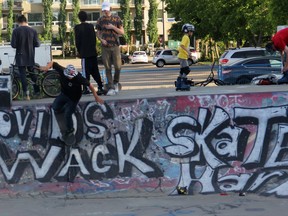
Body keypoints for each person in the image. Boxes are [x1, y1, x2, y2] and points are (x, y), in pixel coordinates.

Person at [40, 61, 104, 145]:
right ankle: (63, 108)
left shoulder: (78, 77)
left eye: (71, 77)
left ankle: (70, 130)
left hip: (74, 98)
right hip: (64, 94)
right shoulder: (62, 70)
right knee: (55, 107)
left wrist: (96, 96)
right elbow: (53, 63)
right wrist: (47, 67)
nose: (70, 78)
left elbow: (90, 85)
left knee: (68, 114)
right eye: (69, 77)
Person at [96, 1, 124, 96]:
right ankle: (111, 87)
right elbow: (98, 33)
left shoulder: (116, 18)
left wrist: (113, 27)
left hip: (115, 46)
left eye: (107, 10)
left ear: (110, 9)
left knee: (118, 66)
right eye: (104, 10)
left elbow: (122, 32)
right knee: (107, 68)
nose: (105, 12)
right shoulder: (100, 20)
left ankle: (116, 82)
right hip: (105, 47)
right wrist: (101, 40)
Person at [74, 11, 105, 96]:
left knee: (85, 72)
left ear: (79, 18)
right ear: (87, 17)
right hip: (92, 52)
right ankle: (100, 86)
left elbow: (78, 41)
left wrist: (79, 51)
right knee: (95, 70)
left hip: (84, 53)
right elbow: (94, 39)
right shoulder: (91, 26)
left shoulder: (77, 27)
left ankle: (86, 88)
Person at [11, 15, 41, 100]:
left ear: (18, 22)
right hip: (30, 56)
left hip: (20, 57)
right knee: (32, 74)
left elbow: (13, 45)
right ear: (26, 21)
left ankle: (26, 94)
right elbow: (37, 44)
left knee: (22, 75)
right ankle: (37, 92)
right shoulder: (33, 30)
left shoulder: (16, 31)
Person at [175, 23, 195, 91]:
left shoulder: (185, 37)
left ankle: (178, 84)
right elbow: (182, 45)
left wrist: (188, 54)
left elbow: (182, 47)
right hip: (182, 56)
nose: (192, 33)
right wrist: (188, 52)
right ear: (188, 31)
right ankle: (183, 83)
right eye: (191, 31)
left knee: (182, 70)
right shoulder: (186, 37)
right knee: (187, 70)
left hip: (182, 56)